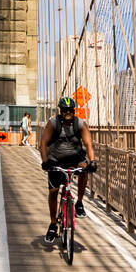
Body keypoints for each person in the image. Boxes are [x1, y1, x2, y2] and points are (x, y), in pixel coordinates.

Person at [40, 96, 97, 244]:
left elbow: (89, 144)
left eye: (70, 110)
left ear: (74, 110)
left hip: (75, 158)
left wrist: (93, 161)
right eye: (64, 110)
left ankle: (78, 202)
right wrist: (45, 161)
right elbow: (43, 143)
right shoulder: (53, 123)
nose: (67, 113)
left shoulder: (80, 124)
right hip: (55, 160)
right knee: (53, 192)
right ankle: (53, 224)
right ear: (60, 111)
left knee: (85, 169)